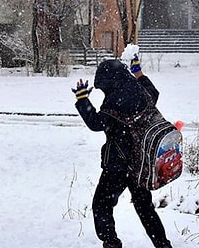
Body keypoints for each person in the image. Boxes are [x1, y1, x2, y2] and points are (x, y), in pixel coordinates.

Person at [71, 51, 173, 248]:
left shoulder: (114, 101)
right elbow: (154, 91)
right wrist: (138, 73)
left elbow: (96, 123)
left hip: (118, 165)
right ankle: (163, 245)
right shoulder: (142, 92)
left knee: (102, 204)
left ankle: (111, 243)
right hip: (141, 163)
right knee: (145, 208)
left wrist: (83, 99)